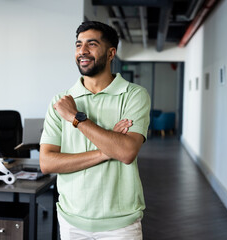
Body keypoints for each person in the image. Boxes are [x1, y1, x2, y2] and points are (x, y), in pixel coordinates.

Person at [39, 21, 150, 239]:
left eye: (91, 44)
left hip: (120, 224)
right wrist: (108, 150)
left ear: (111, 53)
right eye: (78, 44)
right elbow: (47, 163)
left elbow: (127, 153)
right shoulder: (60, 102)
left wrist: (76, 118)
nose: (83, 51)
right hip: (71, 219)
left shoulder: (134, 95)